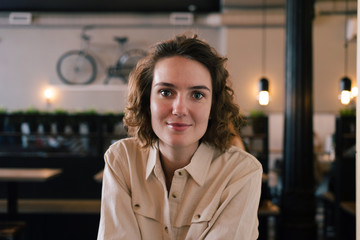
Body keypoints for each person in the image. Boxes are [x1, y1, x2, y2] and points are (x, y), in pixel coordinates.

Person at [97, 34, 263, 240]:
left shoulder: (241, 171)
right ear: (147, 100)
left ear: (214, 106)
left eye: (197, 95)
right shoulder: (122, 159)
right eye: (166, 92)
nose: (180, 109)